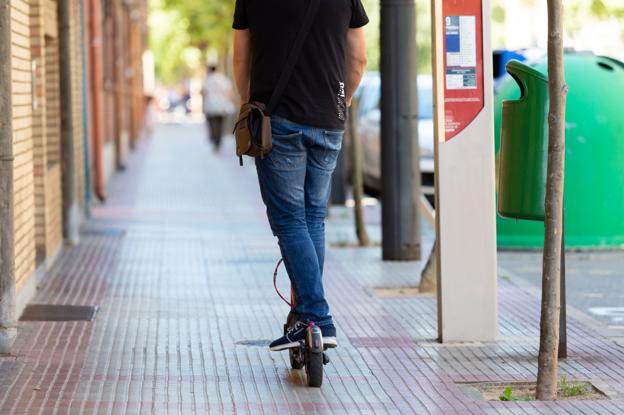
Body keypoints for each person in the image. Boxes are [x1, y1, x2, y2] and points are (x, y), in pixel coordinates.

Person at [232, 0, 368, 351]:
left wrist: (249, 102)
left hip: (278, 120)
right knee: (312, 219)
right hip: (329, 120)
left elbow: (240, 57)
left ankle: (316, 318)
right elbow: (358, 60)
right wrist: (344, 101)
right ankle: (307, 319)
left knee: (290, 221)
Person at [202, 65, 235, 151]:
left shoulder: (207, 80)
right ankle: (218, 142)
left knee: (213, 125)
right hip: (222, 106)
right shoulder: (223, 79)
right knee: (220, 125)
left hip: (211, 105)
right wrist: (231, 102)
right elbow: (229, 92)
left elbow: (204, 93)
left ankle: (215, 142)